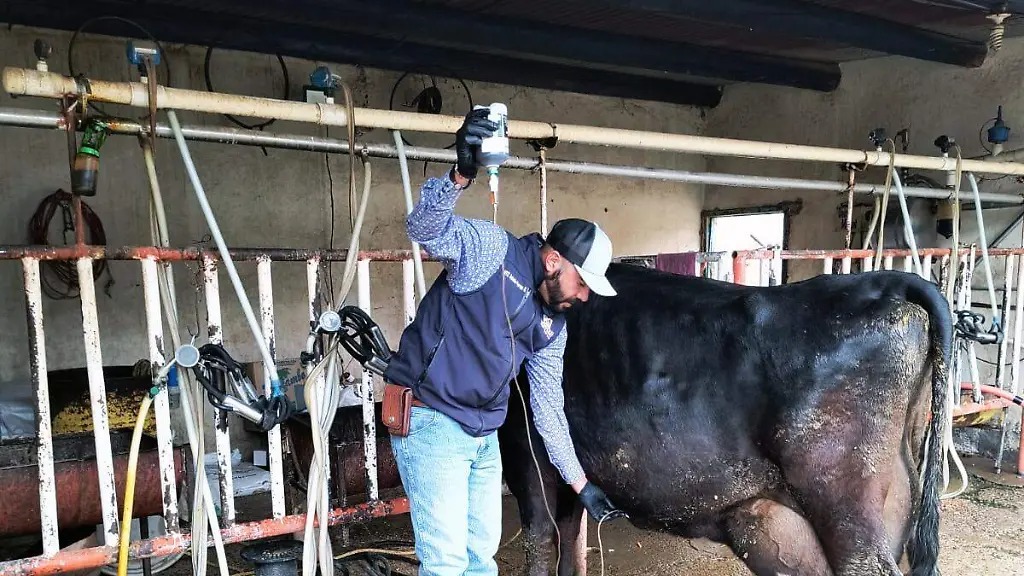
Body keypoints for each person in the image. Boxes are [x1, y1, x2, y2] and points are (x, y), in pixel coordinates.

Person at [382, 108, 625, 576]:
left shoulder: (554, 328)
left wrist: (580, 484)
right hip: (432, 420)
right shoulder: (492, 251)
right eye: (583, 281)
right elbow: (424, 231)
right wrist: (460, 175)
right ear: (553, 260)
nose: (586, 295)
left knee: (480, 562)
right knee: (447, 564)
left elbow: (548, 411)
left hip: (481, 435)